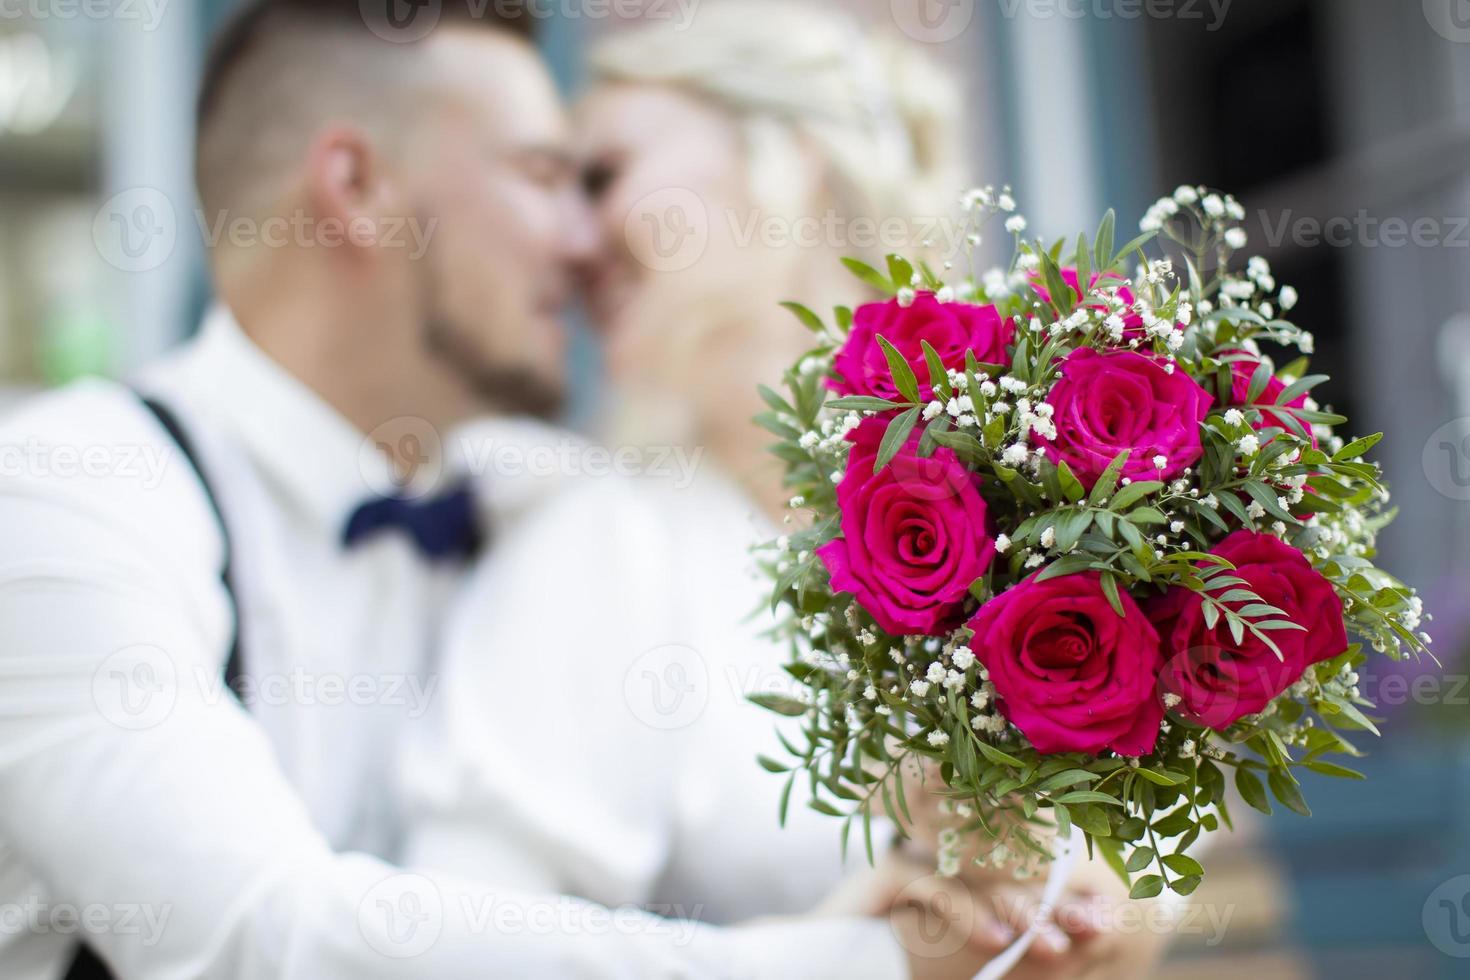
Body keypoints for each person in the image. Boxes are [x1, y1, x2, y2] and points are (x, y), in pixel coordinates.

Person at [0, 3, 1002, 978]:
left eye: (599, 179)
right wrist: (870, 958)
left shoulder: (530, 487)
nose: (582, 240)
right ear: (356, 184)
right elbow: (258, 945)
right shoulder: (63, 497)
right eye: (545, 175)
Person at [402, 4, 1170, 977]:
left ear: (790, 156)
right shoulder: (602, 543)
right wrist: (846, 946)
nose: (571, 238)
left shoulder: (1045, 495)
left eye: (601, 176)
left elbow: (1138, 883)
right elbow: (451, 949)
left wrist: (1101, 907)